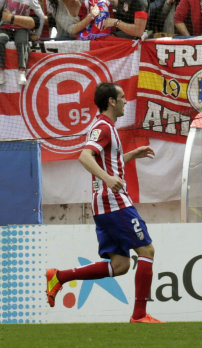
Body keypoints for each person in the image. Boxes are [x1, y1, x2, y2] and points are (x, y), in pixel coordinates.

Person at [46, 82, 164, 324]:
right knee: (147, 251)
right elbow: (84, 156)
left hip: (104, 206)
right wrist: (109, 179)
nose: (125, 101)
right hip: (114, 203)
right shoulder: (103, 127)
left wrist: (131, 155)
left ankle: (59, 277)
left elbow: (109, 161)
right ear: (111, 101)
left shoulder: (106, 128)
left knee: (120, 265)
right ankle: (139, 315)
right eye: (121, 97)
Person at [0, 0, 45, 86]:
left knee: (22, 41)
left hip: (21, 27)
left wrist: (37, 34)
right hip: (5, 26)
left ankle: (22, 71)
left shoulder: (32, 1)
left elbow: (41, 16)